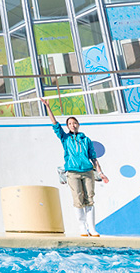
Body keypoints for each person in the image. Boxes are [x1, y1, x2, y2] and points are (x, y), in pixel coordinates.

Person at [41, 97, 109, 236]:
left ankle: (92, 228)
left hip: (88, 172)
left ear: (78, 124)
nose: (73, 125)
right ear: (68, 126)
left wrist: (100, 172)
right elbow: (55, 124)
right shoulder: (65, 138)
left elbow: (93, 158)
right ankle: (82, 227)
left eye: (75, 123)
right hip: (72, 172)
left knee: (89, 199)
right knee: (78, 199)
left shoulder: (86, 140)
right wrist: (48, 107)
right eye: (70, 123)